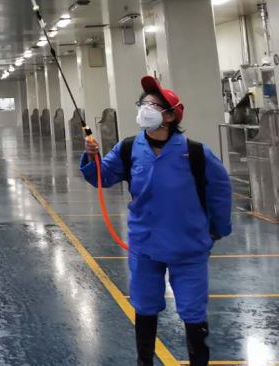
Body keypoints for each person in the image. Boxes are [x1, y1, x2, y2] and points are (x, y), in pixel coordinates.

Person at [81, 76, 232, 366]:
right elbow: (102, 176)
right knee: (145, 305)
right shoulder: (129, 149)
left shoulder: (196, 153)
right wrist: (92, 157)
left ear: (171, 115)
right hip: (145, 246)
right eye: (143, 103)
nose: (145, 109)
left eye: (154, 105)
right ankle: (144, 361)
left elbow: (220, 192)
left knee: (193, 310)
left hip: (188, 246)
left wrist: (217, 229)